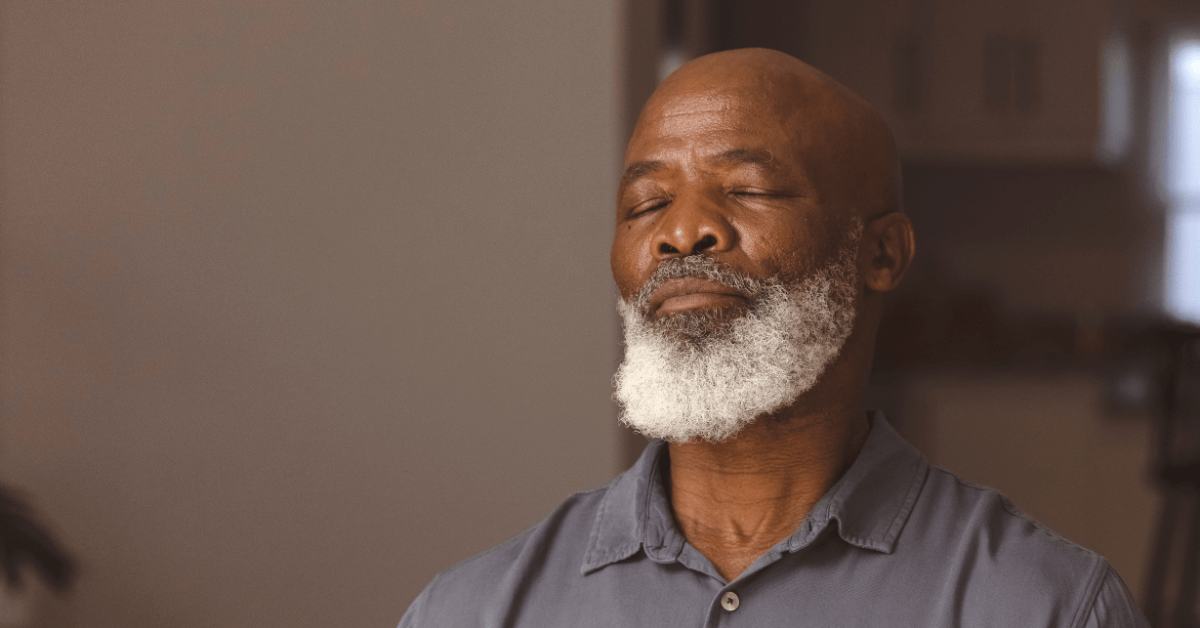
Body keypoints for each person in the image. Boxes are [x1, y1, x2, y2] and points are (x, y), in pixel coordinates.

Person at [398, 48, 1148, 627]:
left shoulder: (1044, 607)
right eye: (646, 203)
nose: (681, 232)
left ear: (880, 254)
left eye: (748, 189)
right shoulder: (471, 611)